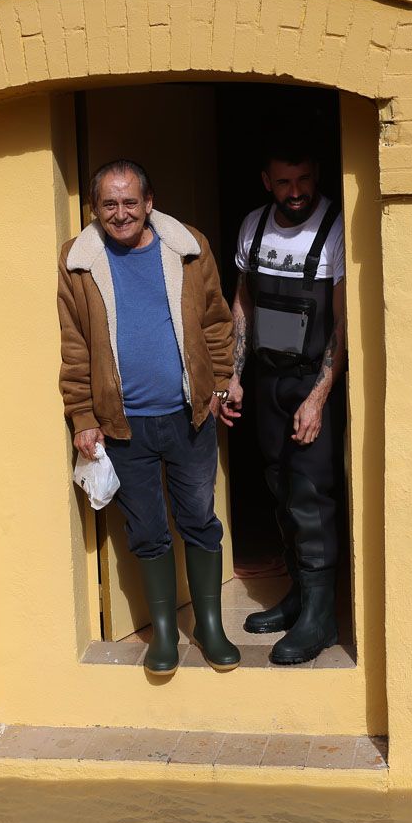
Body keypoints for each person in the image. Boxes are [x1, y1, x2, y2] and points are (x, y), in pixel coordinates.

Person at [57, 159, 242, 677]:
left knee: (198, 519)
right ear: (95, 209)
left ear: (149, 203)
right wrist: (82, 415)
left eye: (130, 202)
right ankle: (164, 632)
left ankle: (209, 626)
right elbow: (75, 344)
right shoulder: (78, 261)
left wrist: (220, 384)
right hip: (123, 426)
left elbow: (216, 322)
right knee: (146, 531)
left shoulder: (188, 247)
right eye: (109, 204)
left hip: (190, 416)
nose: (121, 214)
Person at [220, 146, 347, 665]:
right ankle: (298, 595)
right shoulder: (252, 226)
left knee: (311, 497)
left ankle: (320, 616)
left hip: (311, 381)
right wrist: (233, 373)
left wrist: (318, 397)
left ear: (316, 174)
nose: (296, 192)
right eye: (284, 182)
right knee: (279, 488)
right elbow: (243, 301)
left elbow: (343, 322)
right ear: (266, 181)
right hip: (267, 378)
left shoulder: (335, 228)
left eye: (304, 179)